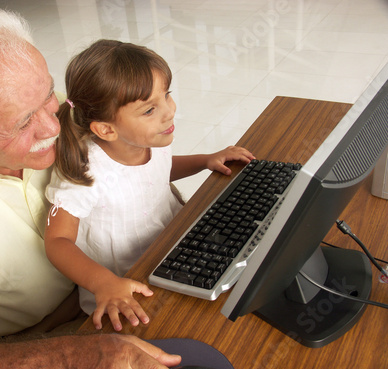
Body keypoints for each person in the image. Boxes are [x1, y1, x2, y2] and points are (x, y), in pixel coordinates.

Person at [0, 9, 181, 369]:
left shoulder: (64, 109)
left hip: (111, 288)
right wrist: (78, 357)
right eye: (23, 122)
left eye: (46, 96)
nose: (52, 126)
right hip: (28, 344)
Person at [44, 40, 255, 332]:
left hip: (173, 249)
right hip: (127, 285)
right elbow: (57, 242)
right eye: (149, 110)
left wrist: (206, 160)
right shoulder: (85, 172)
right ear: (107, 129)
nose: (168, 112)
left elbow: (157, 171)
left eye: (166, 95)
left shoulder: (150, 139)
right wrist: (103, 283)